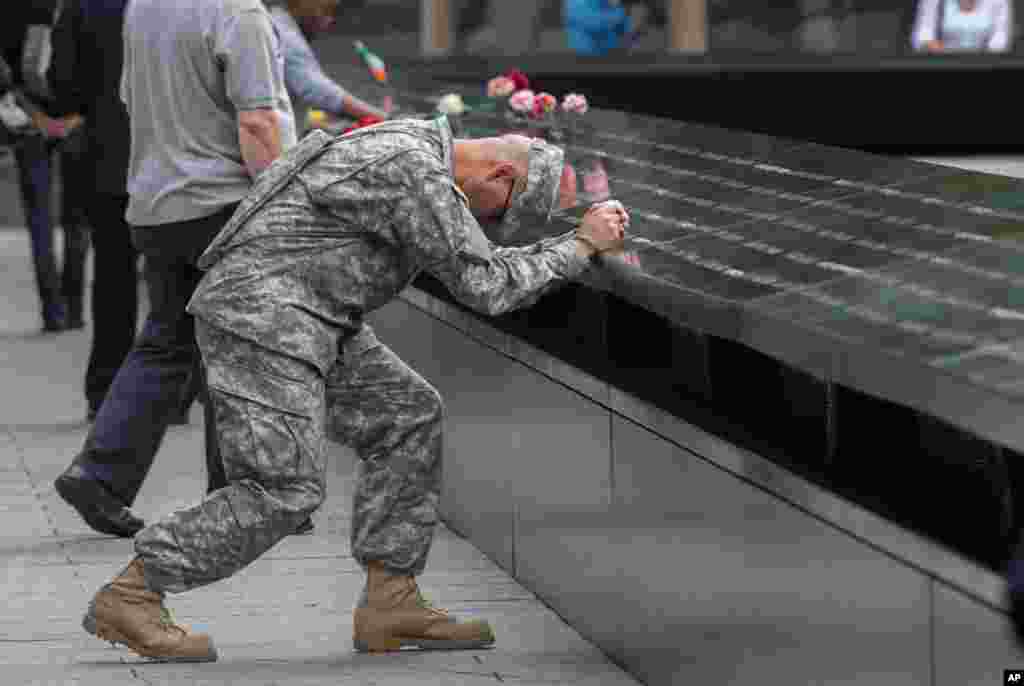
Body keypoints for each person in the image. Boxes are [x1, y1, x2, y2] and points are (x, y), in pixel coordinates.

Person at [81, 116, 628, 662]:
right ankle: (134, 593)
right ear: (500, 176)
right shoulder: (413, 170)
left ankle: (391, 601)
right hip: (263, 319)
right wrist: (580, 247)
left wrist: (569, 244)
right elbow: (486, 285)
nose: (484, 222)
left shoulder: (413, 145)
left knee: (408, 415)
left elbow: (478, 263)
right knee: (282, 489)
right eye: (495, 214)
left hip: (313, 316)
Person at [53, 0, 295, 539]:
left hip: (156, 202)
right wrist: (282, 200)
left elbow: (128, 98)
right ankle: (239, 497)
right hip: (223, 203)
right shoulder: (239, 12)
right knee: (238, 351)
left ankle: (99, 474)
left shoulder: (145, 7)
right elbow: (257, 119)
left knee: (166, 344)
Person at [49, 0, 141, 422]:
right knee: (177, 279)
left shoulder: (81, 6)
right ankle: (178, 387)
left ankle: (105, 386)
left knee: (113, 277)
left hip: (107, 159)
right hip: (170, 156)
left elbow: (62, 84)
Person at [1, 0, 89, 333]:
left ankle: (53, 311)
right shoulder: (79, 7)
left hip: (28, 121)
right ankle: (75, 308)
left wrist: (25, 107)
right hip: (74, 121)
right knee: (76, 218)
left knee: (39, 219)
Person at [269, 0, 390, 134]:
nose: (329, 20)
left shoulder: (276, 22)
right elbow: (322, 92)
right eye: (326, 10)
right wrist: (388, 121)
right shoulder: (284, 34)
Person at [911, 0, 1012, 52]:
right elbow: (923, 33)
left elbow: (1000, 36)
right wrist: (930, 45)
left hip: (984, 61)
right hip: (943, 61)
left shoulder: (999, 1)